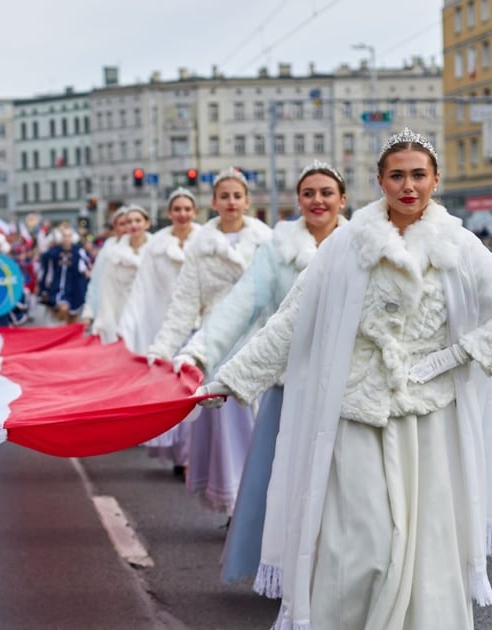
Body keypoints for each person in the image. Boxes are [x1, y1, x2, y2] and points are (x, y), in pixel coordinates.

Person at [204, 129, 492, 629]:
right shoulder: (347, 244)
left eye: (418, 175)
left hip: (427, 421)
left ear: (435, 180)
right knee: (360, 546)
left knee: (427, 546)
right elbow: (290, 320)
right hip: (356, 413)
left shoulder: (459, 245)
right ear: (379, 181)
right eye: (397, 175)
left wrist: (453, 357)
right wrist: (231, 381)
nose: (408, 186)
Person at [173, 161, 347, 586]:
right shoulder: (278, 250)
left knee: (345, 486)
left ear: (343, 199)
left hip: (352, 385)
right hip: (294, 384)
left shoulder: (363, 244)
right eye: (309, 193)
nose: (318, 200)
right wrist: (197, 352)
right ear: (298, 201)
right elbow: (241, 304)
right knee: (288, 482)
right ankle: (290, 572)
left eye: (327, 192)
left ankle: (342, 573)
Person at [147, 167, 272, 516]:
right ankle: (237, 507)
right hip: (217, 346)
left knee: (264, 429)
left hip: (261, 345)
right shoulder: (201, 250)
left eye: (237, 196)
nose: (231, 202)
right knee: (233, 433)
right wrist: (162, 349)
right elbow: (184, 304)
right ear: (214, 202)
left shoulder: (268, 243)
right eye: (224, 196)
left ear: (247, 201)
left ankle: (264, 505)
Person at [118, 188, 201, 355]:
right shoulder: (156, 245)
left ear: (195, 212)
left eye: (187, 209)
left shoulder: (207, 240)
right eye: (177, 209)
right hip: (165, 322)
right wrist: (126, 326)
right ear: (169, 213)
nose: (182, 213)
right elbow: (142, 287)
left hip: (200, 323)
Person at [90, 205, 150, 343]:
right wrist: (103, 320)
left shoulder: (157, 249)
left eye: (138, 220)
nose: (133, 225)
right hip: (123, 315)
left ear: (147, 223)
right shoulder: (113, 254)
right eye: (128, 222)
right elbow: (106, 290)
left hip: (150, 317)